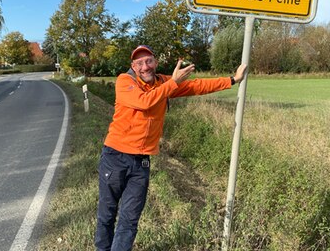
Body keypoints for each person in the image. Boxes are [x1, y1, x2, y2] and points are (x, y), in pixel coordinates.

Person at [95, 45, 247, 251]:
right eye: (139, 63)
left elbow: (196, 86)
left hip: (141, 162)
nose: (145, 66)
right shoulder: (125, 81)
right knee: (107, 213)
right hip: (115, 157)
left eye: (149, 61)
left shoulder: (163, 82)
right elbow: (143, 102)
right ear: (133, 66)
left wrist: (232, 79)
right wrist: (174, 82)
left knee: (130, 220)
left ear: (155, 63)